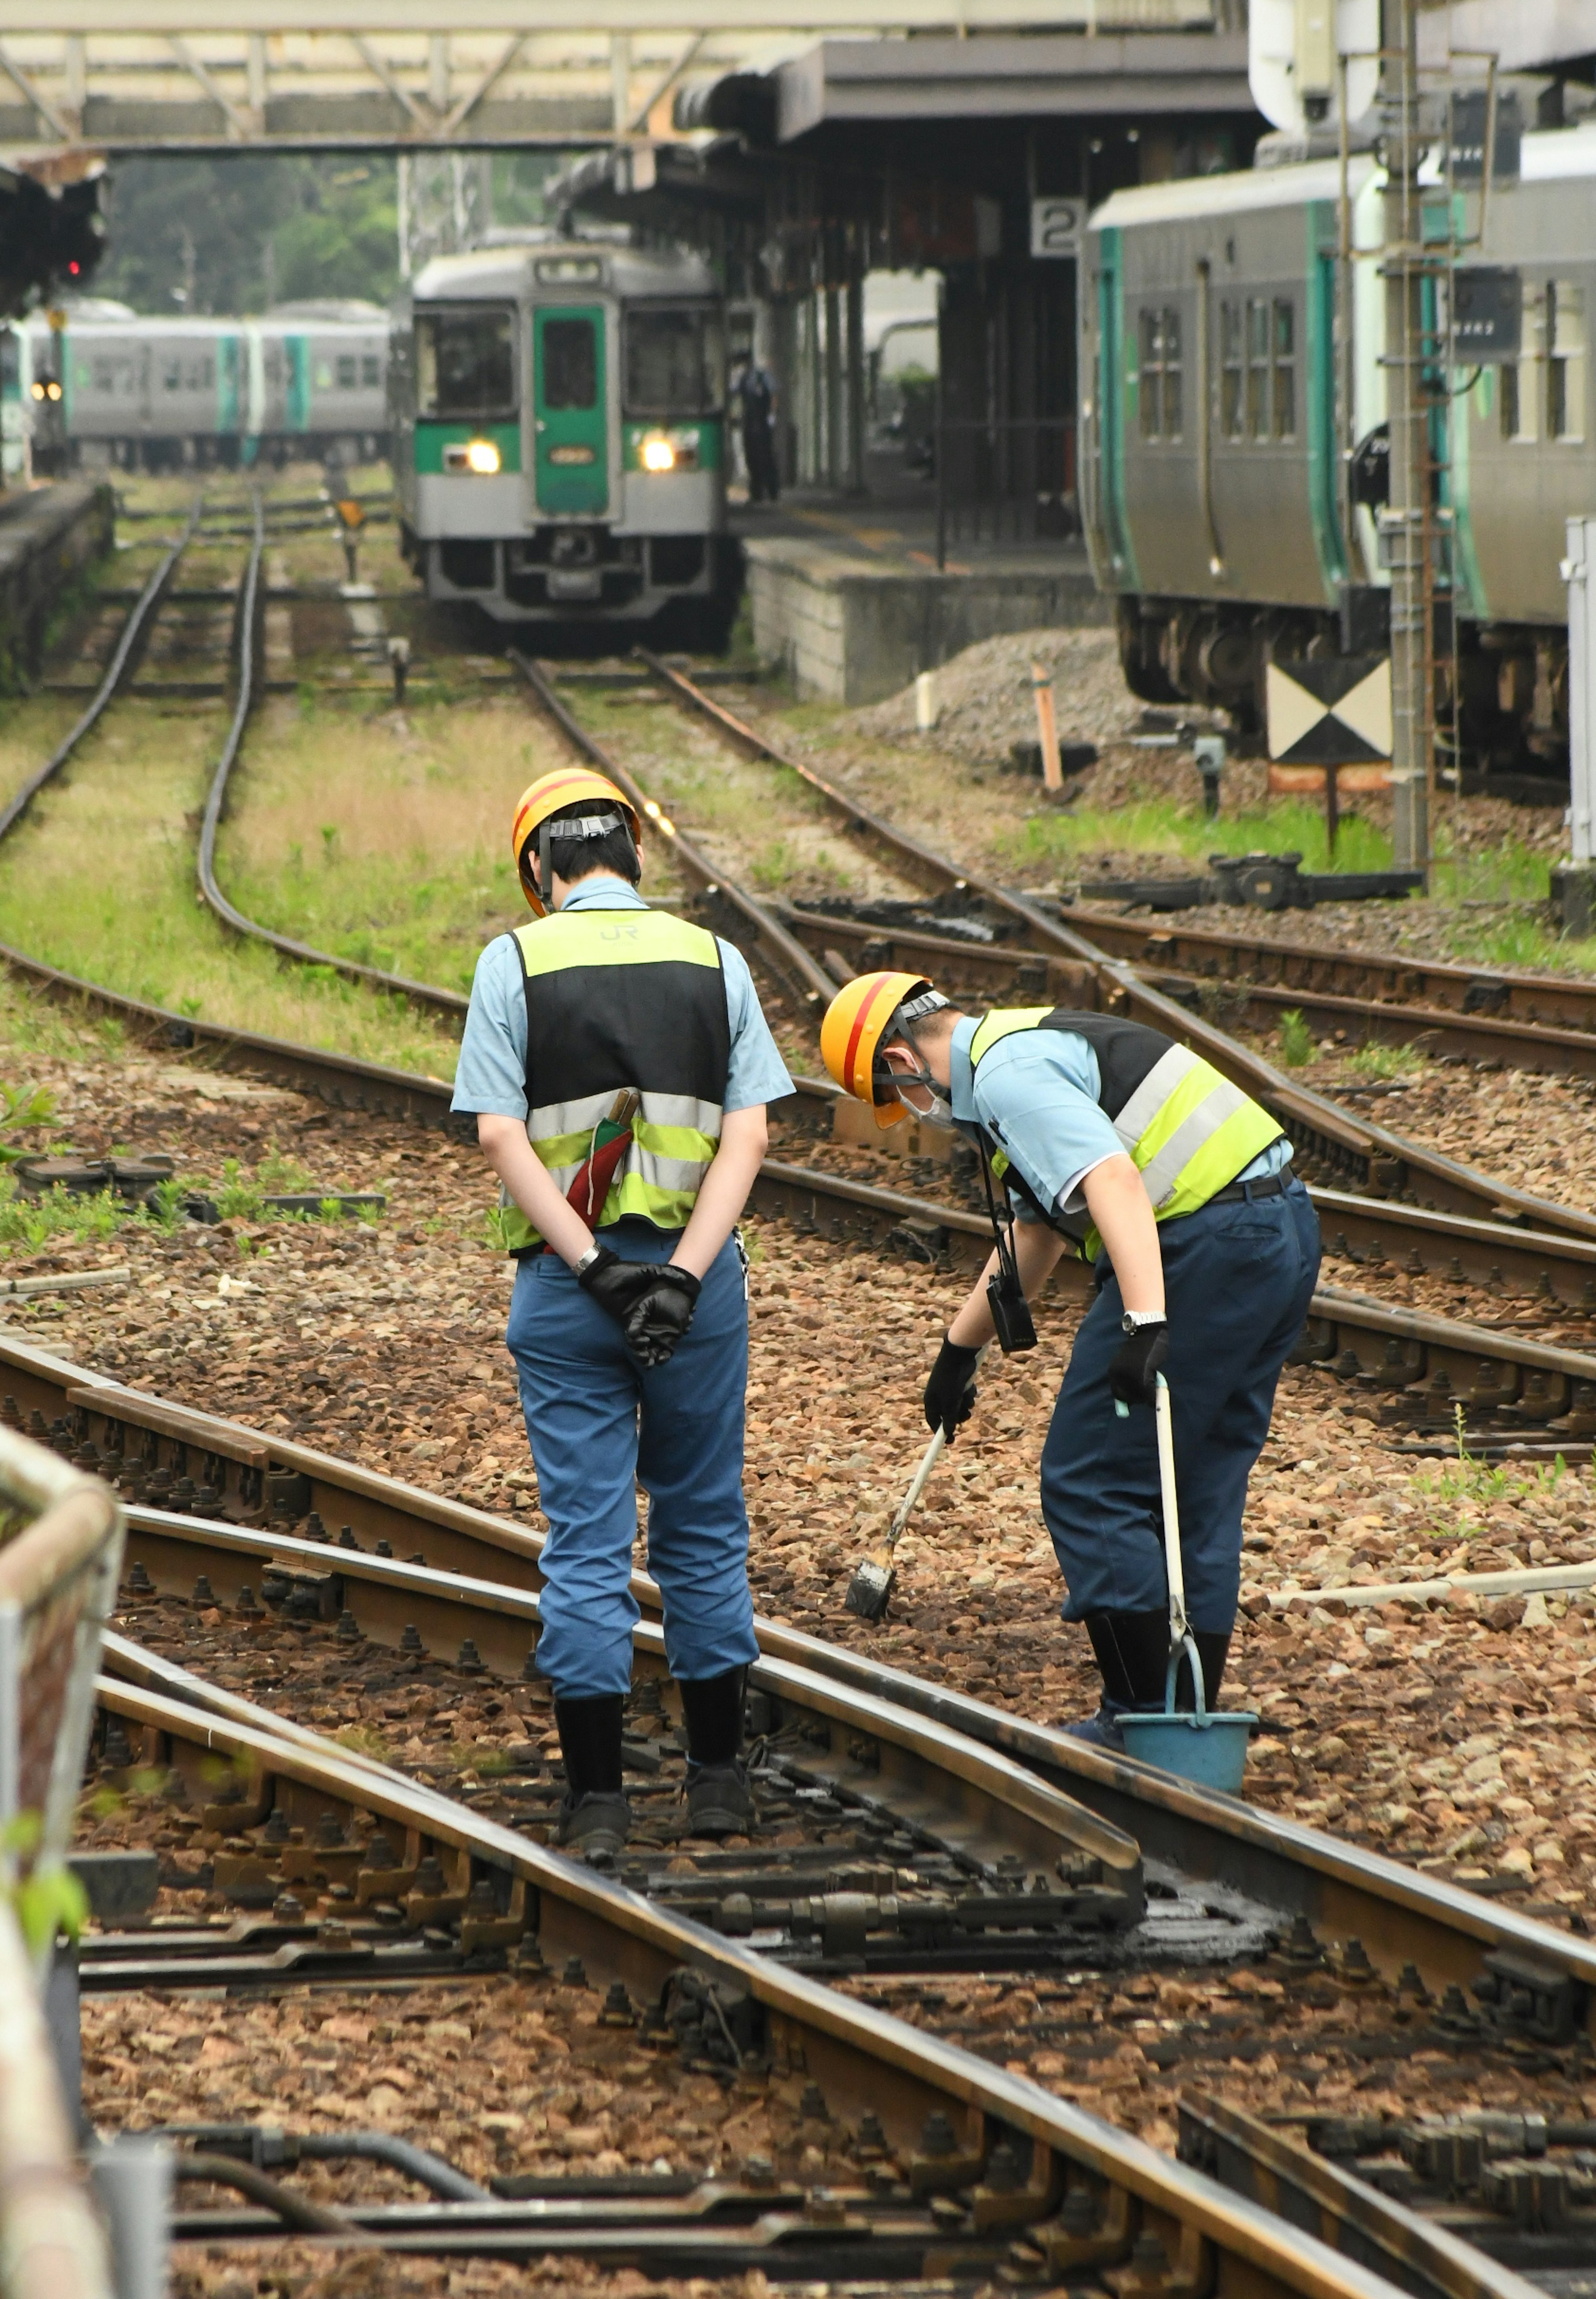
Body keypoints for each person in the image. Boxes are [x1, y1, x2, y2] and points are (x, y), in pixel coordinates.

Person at [820, 974, 1320, 1745]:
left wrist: (1145, 1321)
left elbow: (1112, 1181)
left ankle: (1140, 1721)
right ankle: (1189, 1723)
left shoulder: (1012, 1079)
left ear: (901, 1057)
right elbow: (1039, 1233)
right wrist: (960, 1349)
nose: (911, 1109)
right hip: (1278, 1230)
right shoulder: (1023, 1047)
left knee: (1092, 1478)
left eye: (896, 1091)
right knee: (1198, 1486)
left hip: (1202, 1247)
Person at [452, 767, 794, 1858]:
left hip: (571, 1290)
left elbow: (502, 1136)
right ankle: (717, 1783)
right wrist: (682, 1275)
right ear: (634, 856)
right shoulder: (716, 960)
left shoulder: (512, 960)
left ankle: (597, 1799)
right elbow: (748, 1136)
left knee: (588, 1540)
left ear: (539, 867)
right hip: (699, 1288)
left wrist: (600, 1267)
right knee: (701, 1522)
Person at [738, 358, 778, 503]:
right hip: (750, 422)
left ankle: (772, 491)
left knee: (765, 457)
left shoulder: (764, 376)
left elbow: (774, 396)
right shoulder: (744, 378)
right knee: (752, 458)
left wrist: (772, 416)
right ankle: (757, 492)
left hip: (762, 422)